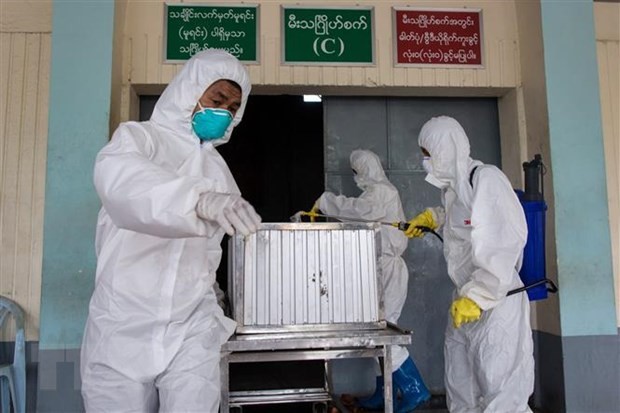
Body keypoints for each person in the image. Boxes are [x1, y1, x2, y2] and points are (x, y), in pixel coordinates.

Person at [80, 49, 261, 412]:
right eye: (217, 98)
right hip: (123, 321)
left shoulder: (219, 171)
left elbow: (210, 254)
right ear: (189, 90)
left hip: (190, 323)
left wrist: (213, 299)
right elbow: (120, 183)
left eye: (233, 106)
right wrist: (197, 201)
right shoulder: (140, 139)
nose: (224, 112)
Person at [405, 116, 534, 412]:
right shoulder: (453, 189)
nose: (425, 161)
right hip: (465, 298)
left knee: (500, 389)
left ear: (446, 148)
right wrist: (431, 218)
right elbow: (462, 218)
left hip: (495, 300)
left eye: (428, 153)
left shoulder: (486, 179)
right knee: (460, 382)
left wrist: (480, 297)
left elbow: (503, 240)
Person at [310, 149, 430, 413]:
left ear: (365, 169)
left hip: (388, 268)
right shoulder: (377, 192)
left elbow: (359, 211)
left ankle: (415, 390)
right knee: (378, 332)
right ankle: (381, 393)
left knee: (383, 333)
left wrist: (326, 201)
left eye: (356, 172)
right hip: (380, 268)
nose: (356, 177)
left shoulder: (381, 192)